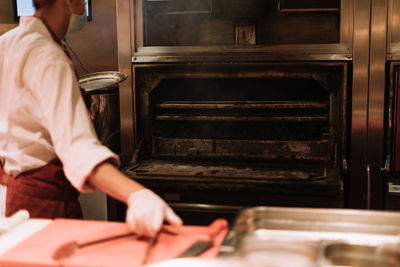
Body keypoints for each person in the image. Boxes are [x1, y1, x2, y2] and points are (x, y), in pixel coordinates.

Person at [0, 0, 182, 237]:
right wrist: (137, 194)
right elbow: (77, 149)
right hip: (47, 205)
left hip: (16, 199)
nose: (84, 7)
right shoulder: (48, 56)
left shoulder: (8, 43)